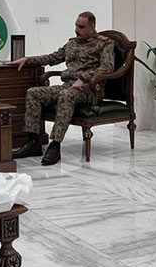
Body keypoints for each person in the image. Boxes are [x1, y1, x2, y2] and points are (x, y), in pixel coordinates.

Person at [8, 11, 114, 165]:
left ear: (92, 28)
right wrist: (28, 60)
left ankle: (55, 146)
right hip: (68, 85)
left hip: (90, 89)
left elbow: (107, 68)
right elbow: (52, 58)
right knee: (33, 93)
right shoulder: (72, 43)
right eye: (76, 26)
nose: (77, 30)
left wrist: (84, 79)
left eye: (81, 27)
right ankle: (33, 143)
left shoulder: (104, 43)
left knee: (66, 95)